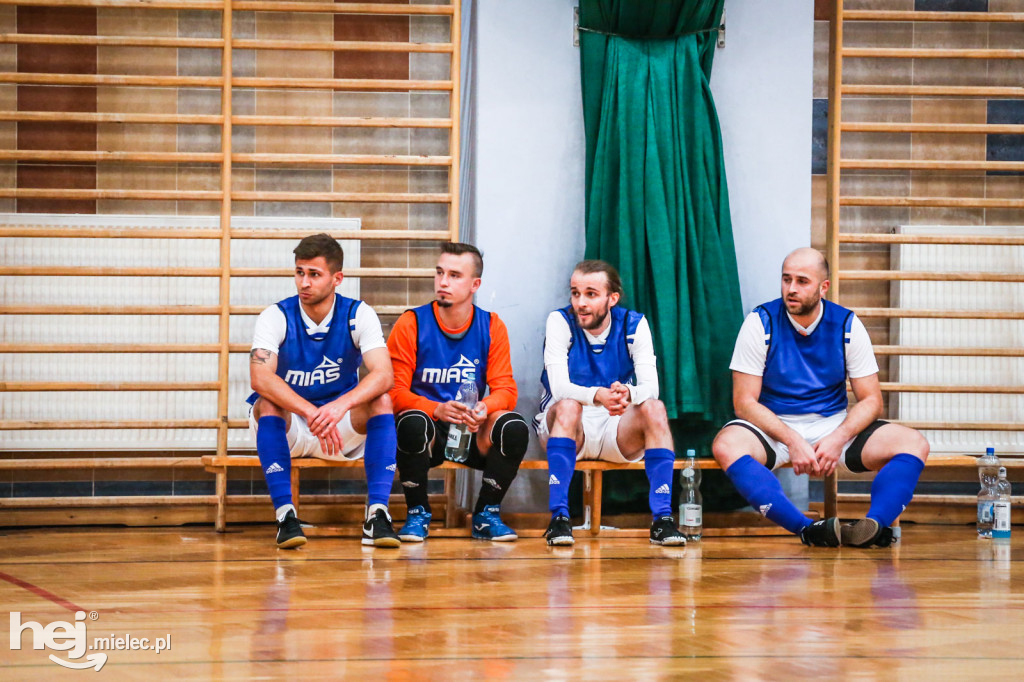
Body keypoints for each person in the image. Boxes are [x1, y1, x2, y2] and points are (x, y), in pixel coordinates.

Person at [711, 247, 930, 548]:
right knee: (725, 445)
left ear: (823, 287)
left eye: (802, 281)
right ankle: (807, 529)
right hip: (775, 427)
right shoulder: (760, 322)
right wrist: (792, 440)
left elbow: (871, 400)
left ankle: (874, 527)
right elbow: (745, 401)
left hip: (832, 426)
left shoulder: (847, 325)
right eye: (786, 279)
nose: (791, 289)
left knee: (914, 442)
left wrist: (838, 438)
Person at [248, 233, 400, 549]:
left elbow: (384, 375)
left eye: (314, 274)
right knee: (268, 403)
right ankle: (285, 516)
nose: (304, 282)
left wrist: (338, 407)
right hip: (291, 425)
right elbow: (260, 377)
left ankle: (377, 515)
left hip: (336, 424)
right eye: (299, 272)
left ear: (337, 278)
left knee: (382, 400)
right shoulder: (275, 316)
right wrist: (310, 410)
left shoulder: (359, 315)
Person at [534, 259, 686, 547]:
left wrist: (629, 396)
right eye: (575, 292)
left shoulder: (633, 324)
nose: (580, 302)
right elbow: (559, 387)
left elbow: (651, 388)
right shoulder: (560, 321)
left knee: (655, 408)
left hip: (615, 426)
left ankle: (663, 520)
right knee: (568, 405)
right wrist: (598, 395)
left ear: (612, 298)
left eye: (591, 294)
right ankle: (559, 519)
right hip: (567, 427)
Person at [387, 242, 529, 542]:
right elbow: (393, 392)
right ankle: (417, 514)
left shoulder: (491, 325)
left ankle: (486, 514)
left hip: (471, 430)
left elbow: (505, 388)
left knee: (512, 426)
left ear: (475, 284)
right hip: (430, 433)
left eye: (454, 275)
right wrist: (435, 408)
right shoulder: (411, 323)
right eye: (439, 273)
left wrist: (484, 408)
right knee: (411, 421)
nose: (443, 282)